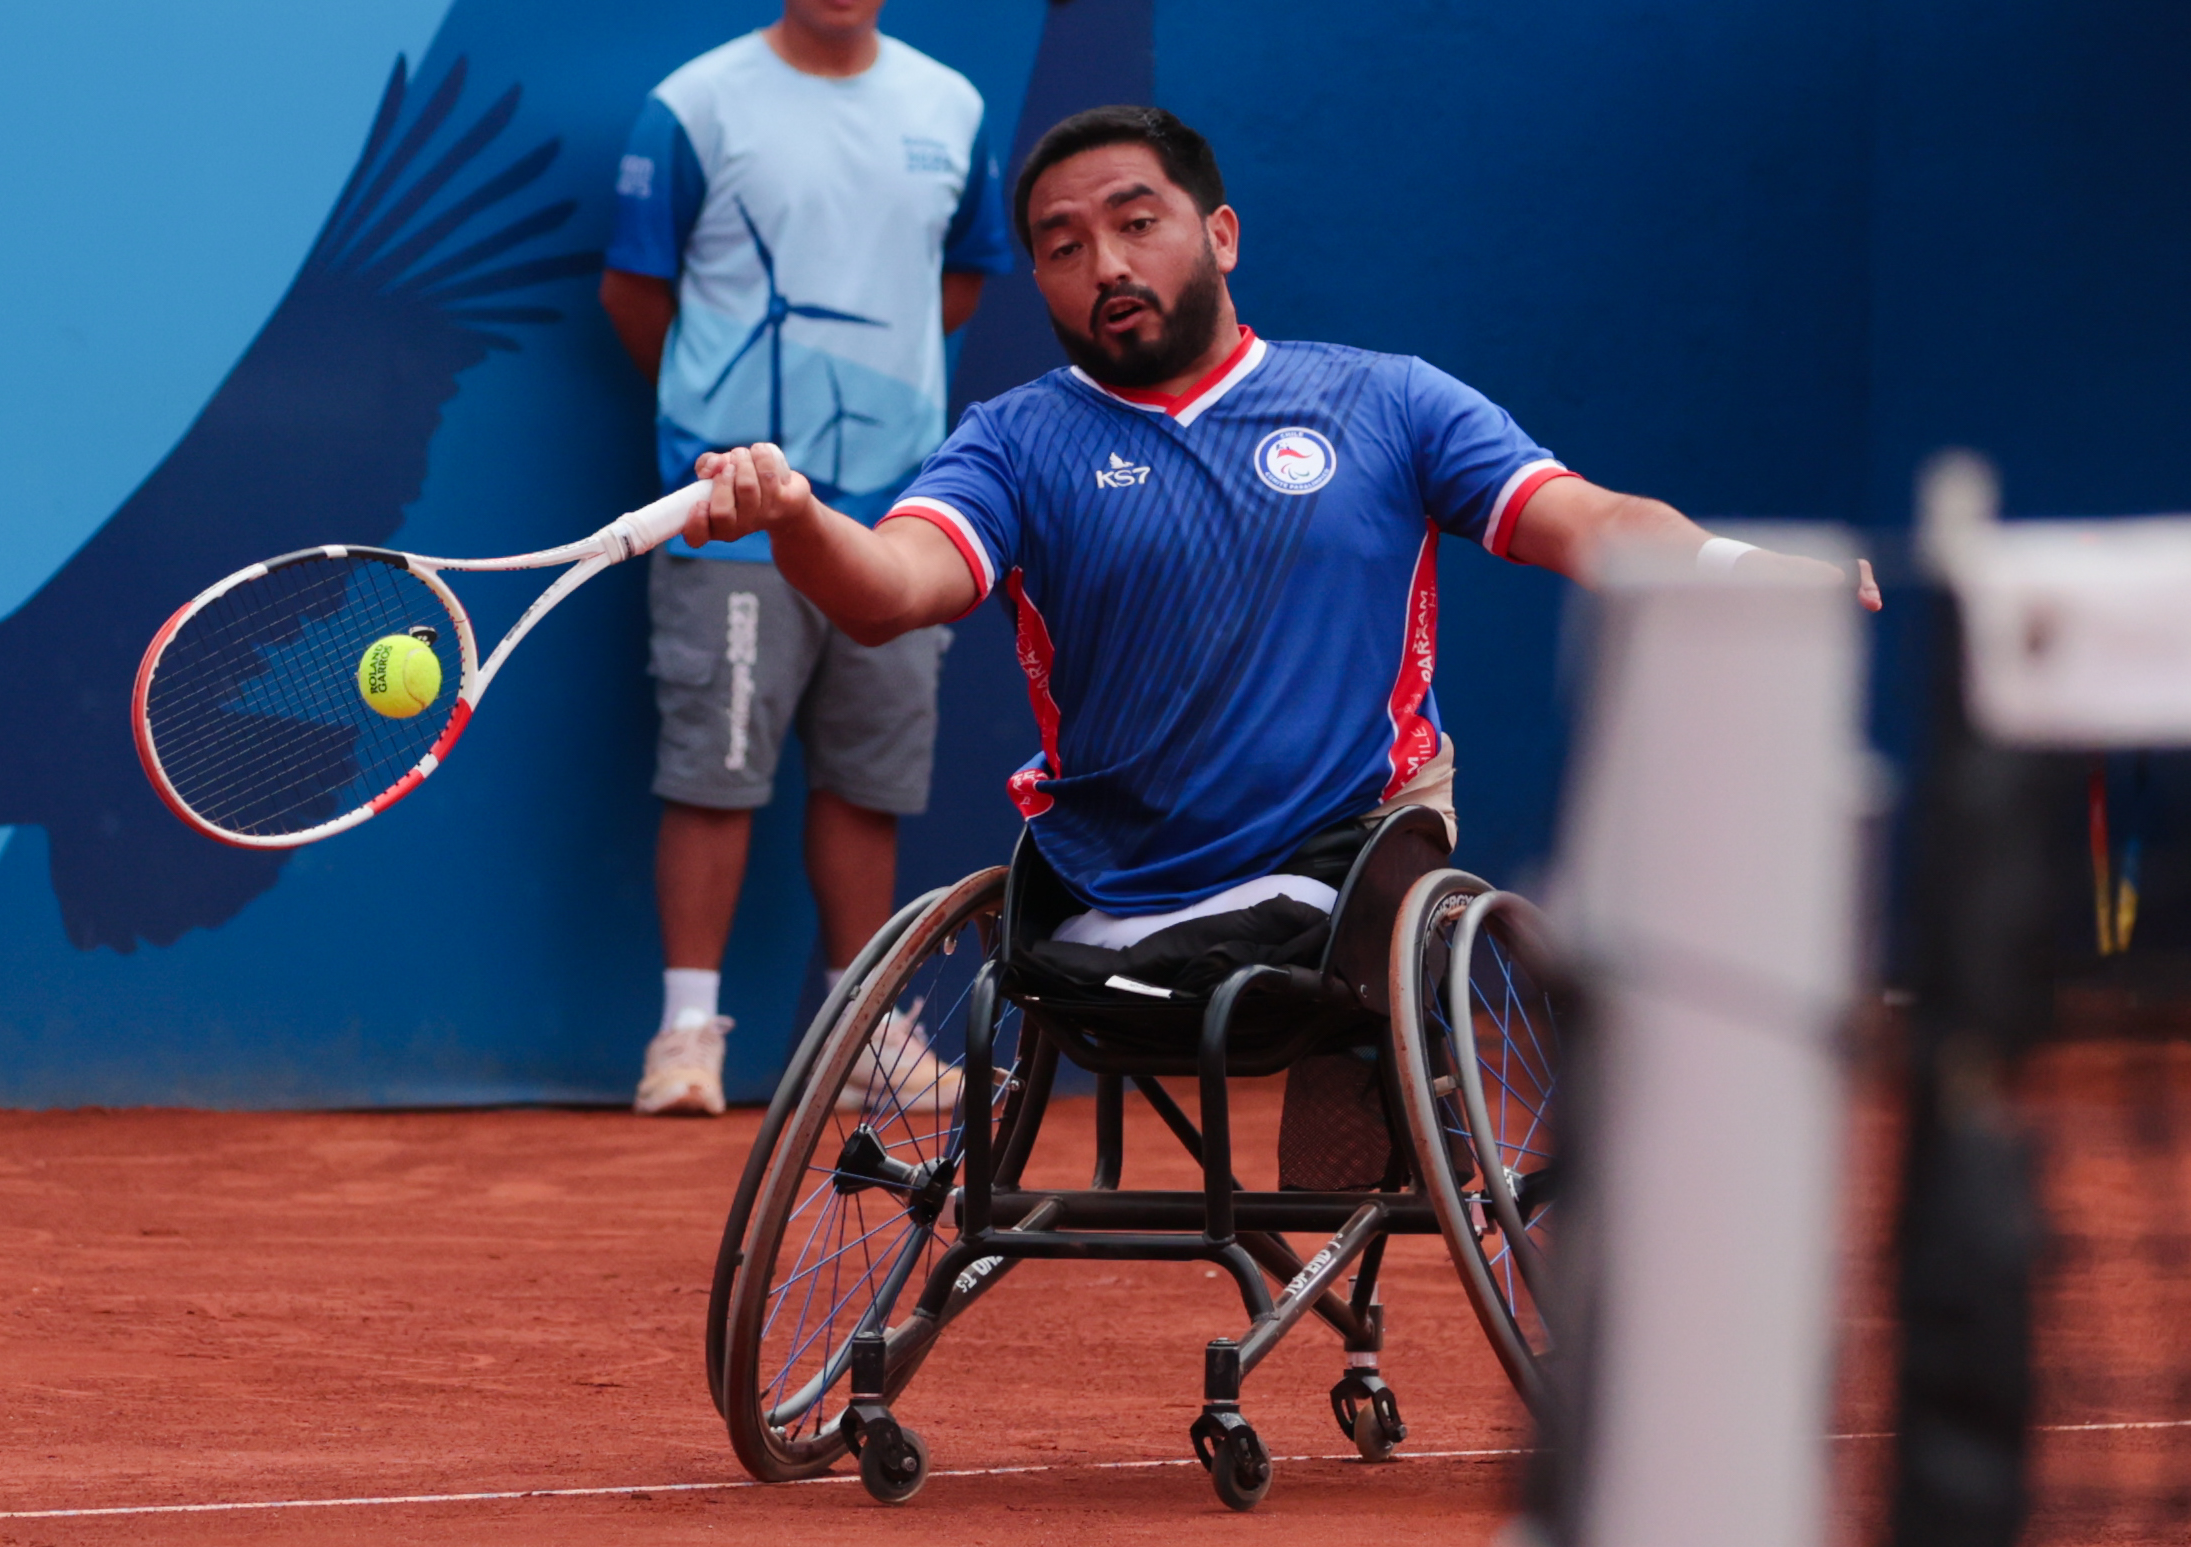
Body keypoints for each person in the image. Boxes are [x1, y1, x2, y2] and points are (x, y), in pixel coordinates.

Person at [675, 104, 1883, 1179]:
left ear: (1220, 235)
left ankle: (1370, 1133)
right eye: (1060, 246)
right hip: (1101, 901)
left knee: (1356, 1091)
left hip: (1338, 875)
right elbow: (889, 587)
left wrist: (1741, 570)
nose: (1104, 264)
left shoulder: (1387, 401)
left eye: (1136, 222)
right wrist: (795, 515)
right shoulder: (1010, 441)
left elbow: (1590, 520)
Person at [601, 0, 1015, 1116]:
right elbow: (635, 294)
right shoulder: (693, 106)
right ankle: (686, 1037)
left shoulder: (951, 106)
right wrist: (719, 445)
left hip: (898, 519)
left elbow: (958, 283)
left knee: (867, 780)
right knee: (711, 769)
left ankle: (865, 1036)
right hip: (731, 511)